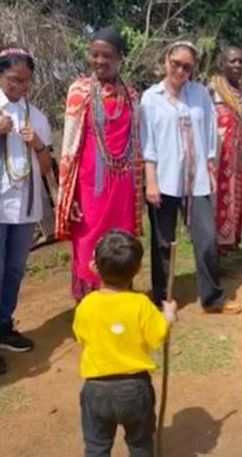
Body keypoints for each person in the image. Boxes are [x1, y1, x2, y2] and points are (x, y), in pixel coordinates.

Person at [139, 41, 242, 314]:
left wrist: (210, 165)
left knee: (207, 238)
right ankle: (162, 298)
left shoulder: (200, 95)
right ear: (166, 61)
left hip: (197, 181)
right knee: (162, 242)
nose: (181, 71)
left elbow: (210, 133)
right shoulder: (151, 98)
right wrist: (150, 180)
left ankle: (212, 297)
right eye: (176, 64)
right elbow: (147, 144)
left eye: (187, 66)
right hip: (164, 180)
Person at [56, 26, 143, 303]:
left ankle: (119, 296)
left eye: (107, 55)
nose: (100, 61)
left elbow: (137, 140)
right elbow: (69, 146)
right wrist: (70, 198)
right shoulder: (80, 90)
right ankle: (89, 303)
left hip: (123, 185)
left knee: (121, 241)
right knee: (88, 241)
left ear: (120, 58)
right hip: (90, 184)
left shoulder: (132, 94)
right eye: (95, 55)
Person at [72, 229, 178, 457]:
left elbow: (81, 337)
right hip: (135, 389)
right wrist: (168, 317)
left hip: (96, 390)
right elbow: (157, 337)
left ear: (95, 267)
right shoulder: (141, 304)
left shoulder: (86, 305)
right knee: (140, 445)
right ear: (138, 270)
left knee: (97, 448)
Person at [0, 47, 54, 374]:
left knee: (15, 270)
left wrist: (37, 144)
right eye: (13, 80)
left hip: (24, 208)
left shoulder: (38, 116)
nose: (20, 87)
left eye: (26, 81)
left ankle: (4, 326)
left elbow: (47, 167)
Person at [208, 46, 242, 255]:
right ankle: (213, 249)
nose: (237, 65)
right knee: (217, 201)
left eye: (241, 61)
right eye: (232, 61)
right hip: (218, 157)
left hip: (239, 158)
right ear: (222, 63)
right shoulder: (211, 89)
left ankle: (225, 245)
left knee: (234, 200)